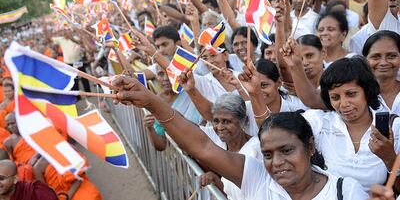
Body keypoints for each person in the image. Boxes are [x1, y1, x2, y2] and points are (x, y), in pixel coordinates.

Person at [110, 78, 368, 199]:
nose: (276, 162)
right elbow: (202, 146)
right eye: (267, 154)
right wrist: (153, 101)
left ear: (310, 147)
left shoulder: (346, 192)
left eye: (287, 150)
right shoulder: (259, 178)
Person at [242, 57, 400, 191]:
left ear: (367, 91)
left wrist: (389, 158)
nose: (344, 104)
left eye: (351, 94)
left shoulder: (393, 128)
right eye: (335, 97)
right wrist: (255, 93)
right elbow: (273, 132)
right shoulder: (320, 122)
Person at [199, 93, 262, 200]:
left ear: (244, 121)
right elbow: (231, 193)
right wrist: (214, 179)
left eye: (226, 121)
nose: (219, 127)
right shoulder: (221, 144)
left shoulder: (256, 150)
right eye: (216, 121)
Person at [143, 65, 202, 151]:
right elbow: (161, 146)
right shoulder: (156, 102)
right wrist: (150, 128)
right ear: (156, 77)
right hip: (187, 155)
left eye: (170, 73)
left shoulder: (191, 89)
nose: (166, 78)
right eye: (161, 74)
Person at [362, 30, 400, 115]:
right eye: (376, 56)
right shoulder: (359, 96)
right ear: (365, 60)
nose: (383, 62)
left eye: (391, 56)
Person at [33, 155, 102, 200]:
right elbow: (47, 193)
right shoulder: (37, 168)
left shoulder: (62, 151)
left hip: (76, 185)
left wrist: (68, 196)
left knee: (90, 195)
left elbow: (79, 176)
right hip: (61, 195)